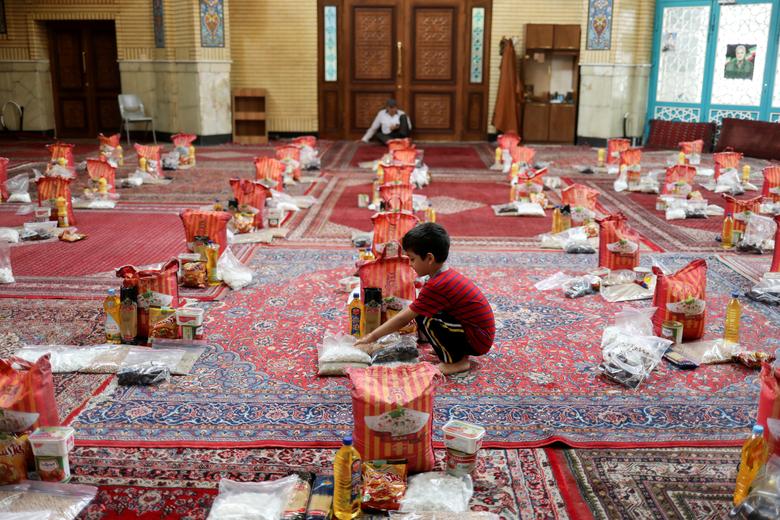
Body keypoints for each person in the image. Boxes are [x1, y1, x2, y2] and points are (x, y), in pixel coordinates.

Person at [355, 223, 495, 375]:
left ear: (429, 258)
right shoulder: (443, 275)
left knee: (426, 318)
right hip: (477, 333)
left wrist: (372, 336)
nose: (410, 264)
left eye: (412, 259)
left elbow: (403, 318)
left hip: (478, 340)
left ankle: (457, 362)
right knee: (425, 311)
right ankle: (452, 350)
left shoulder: (438, 284)